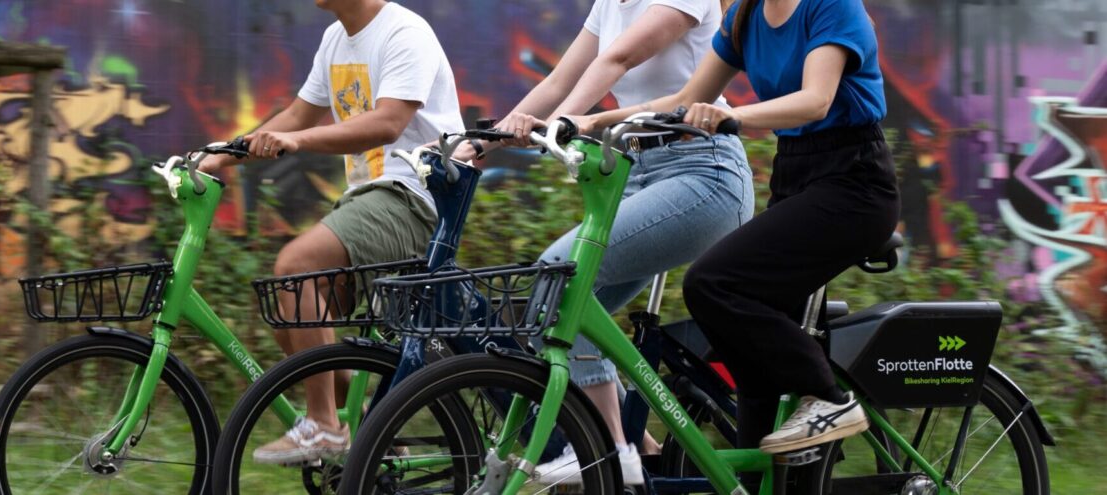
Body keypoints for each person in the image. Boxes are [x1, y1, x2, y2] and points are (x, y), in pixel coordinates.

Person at [559, 0, 897, 468]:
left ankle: (829, 398)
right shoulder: (745, 16)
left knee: (712, 282)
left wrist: (732, 117)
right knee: (753, 365)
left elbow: (815, 100)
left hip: (853, 186)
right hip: (795, 176)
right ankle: (764, 473)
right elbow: (682, 103)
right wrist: (598, 121)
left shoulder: (831, 6)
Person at [465, 0, 755, 486]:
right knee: (553, 303)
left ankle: (610, 453)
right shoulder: (608, 4)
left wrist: (559, 121)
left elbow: (619, 59)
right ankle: (639, 452)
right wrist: (485, 141)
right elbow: (560, 80)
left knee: (564, 274)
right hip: (639, 175)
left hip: (705, 173)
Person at [197, 0, 463, 466]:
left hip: (418, 197)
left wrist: (296, 143)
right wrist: (224, 153)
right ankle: (372, 432)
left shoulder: (405, 32)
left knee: (297, 268)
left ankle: (324, 426)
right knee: (293, 313)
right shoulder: (336, 39)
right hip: (371, 198)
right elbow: (300, 115)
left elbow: (387, 122)